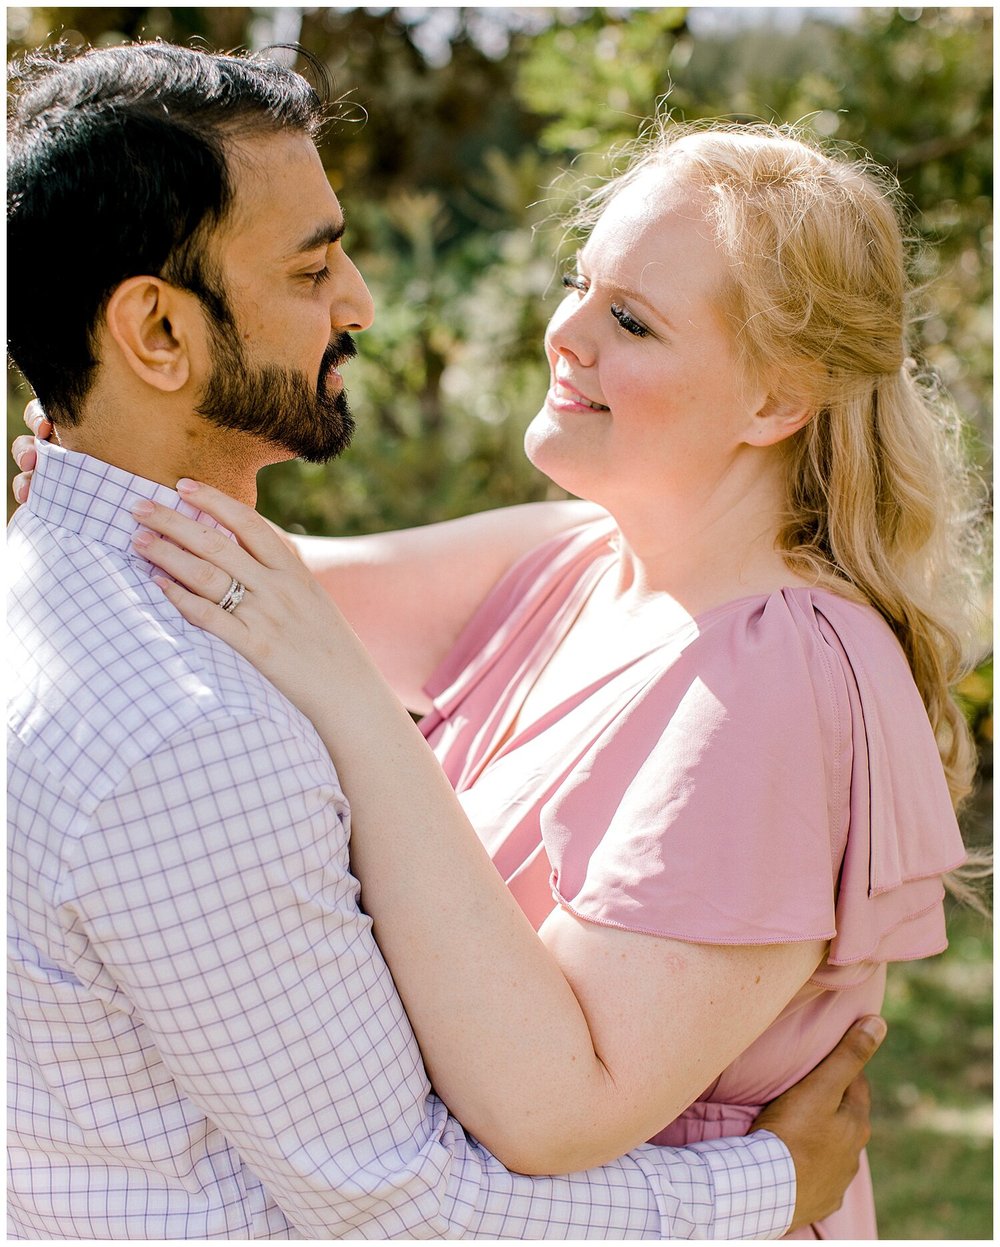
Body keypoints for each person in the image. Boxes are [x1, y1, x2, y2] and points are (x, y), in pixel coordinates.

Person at [5, 41, 881, 1241]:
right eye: (315, 269)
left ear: (779, 401)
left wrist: (79, 471)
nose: (562, 332)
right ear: (156, 331)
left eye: (629, 317)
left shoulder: (770, 677)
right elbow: (397, 1197)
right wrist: (777, 1182)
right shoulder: (563, 565)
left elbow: (540, 1115)